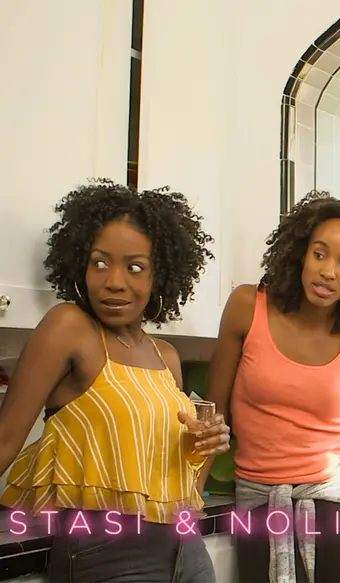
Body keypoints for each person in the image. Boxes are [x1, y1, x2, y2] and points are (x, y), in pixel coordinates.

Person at [0, 179, 230, 583]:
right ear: (81, 265)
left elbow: (167, 474)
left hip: (187, 550)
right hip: (108, 554)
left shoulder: (166, 356)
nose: (114, 281)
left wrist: (203, 444)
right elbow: (4, 439)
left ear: (159, 276)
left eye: (135, 267)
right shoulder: (69, 328)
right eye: (100, 263)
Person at [202, 191, 340, 583]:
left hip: (337, 496)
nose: (328, 272)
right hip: (260, 498)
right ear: (301, 254)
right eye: (319, 254)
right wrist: (192, 490)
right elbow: (214, 414)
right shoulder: (248, 306)